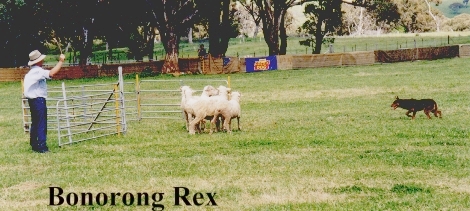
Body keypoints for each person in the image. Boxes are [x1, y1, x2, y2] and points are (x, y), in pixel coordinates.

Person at [23, 50, 65, 153]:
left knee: (35, 122)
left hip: (32, 100)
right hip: (38, 100)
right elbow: (52, 73)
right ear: (38, 61)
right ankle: (42, 146)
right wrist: (60, 61)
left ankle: (34, 144)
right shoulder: (38, 71)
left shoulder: (30, 73)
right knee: (41, 123)